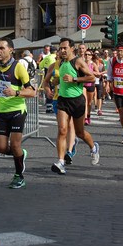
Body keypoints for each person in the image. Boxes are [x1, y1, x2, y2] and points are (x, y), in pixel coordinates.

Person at [46, 38, 100, 174]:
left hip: (77, 101)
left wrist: (74, 79)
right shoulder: (57, 64)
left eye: (65, 48)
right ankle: (61, 162)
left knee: (80, 132)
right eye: (60, 48)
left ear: (72, 48)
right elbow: (46, 81)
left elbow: (92, 77)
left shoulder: (77, 61)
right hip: (63, 100)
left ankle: (94, 147)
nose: (62, 50)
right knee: (62, 130)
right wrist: (48, 88)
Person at [0, 38, 36, 189]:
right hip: (1, 112)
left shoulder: (18, 67)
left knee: (15, 144)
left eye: (1, 48)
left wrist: (15, 92)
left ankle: (19, 176)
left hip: (17, 111)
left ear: (11, 50)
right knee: (2, 148)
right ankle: (20, 154)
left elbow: (32, 91)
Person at [39, 46, 57, 113]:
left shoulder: (46, 57)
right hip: (54, 78)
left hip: (47, 77)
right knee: (54, 92)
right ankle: (53, 106)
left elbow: (40, 66)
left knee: (48, 92)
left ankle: (48, 107)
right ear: (56, 51)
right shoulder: (56, 57)